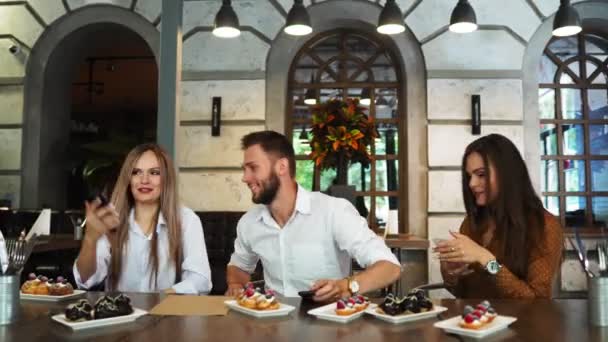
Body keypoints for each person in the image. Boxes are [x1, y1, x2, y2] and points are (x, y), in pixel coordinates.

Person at [225, 131, 401, 302]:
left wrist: (347, 286)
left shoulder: (334, 211)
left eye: (253, 168)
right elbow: (239, 266)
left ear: (282, 167)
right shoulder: (249, 222)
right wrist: (235, 284)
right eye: (244, 169)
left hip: (329, 325)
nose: (245, 178)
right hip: (272, 323)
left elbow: (390, 267)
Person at [434, 134, 563, 299]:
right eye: (469, 176)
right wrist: (451, 274)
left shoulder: (544, 225)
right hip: (476, 323)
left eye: (481, 174)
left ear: (507, 174)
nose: (471, 184)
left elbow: (536, 300)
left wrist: (487, 260)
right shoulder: (471, 223)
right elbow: (464, 294)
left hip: (522, 324)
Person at [73, 143, 212, 294]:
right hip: (119, 314)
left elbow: (200, 280)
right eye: (136, 172)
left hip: (165, 313)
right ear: (128, 179)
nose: (144, 180)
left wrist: (160, 298)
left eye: (154, 173)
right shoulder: (111, 219)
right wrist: (90, 239)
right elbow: (85, 280)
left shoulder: (187, 220)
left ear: (166, 178)